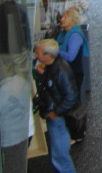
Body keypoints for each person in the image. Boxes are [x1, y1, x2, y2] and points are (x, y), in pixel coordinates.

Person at [33, 39, 78, 172]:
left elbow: (71, 97)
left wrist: (55, 113)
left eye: (38, 53)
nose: (36, 55)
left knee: (60, 157)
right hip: (55, 114)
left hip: (57, 117)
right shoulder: (51, 66)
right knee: (58, 154)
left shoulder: (60, 71)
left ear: (48, 56)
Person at [0, 0, 31, 80]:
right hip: (18, 50)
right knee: (21, 75)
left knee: (8, 75)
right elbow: (25, 31)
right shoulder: (20, 9)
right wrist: (28, 47)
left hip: (3, 50)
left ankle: (10, 93)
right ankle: (18, 93)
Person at [56, 7, 89, 98]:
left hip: (74, 73)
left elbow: (70, 57)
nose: (61, 19)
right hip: (67, 72)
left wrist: (56, 50)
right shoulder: (65, 34)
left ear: (72, 20)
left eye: (65, 18)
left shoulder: (75, 36)